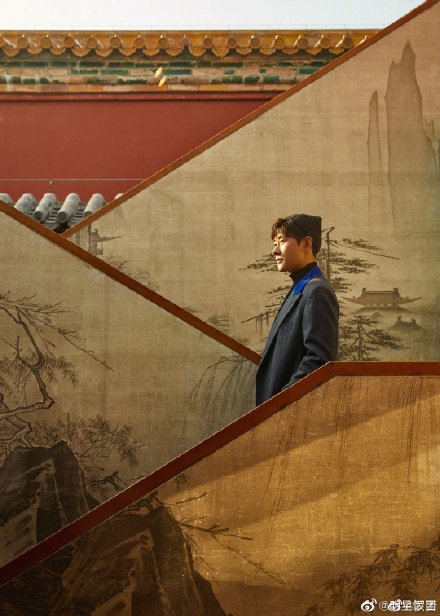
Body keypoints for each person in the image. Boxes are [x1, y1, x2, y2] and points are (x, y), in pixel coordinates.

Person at [256, 214, 339, 405]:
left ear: (306, 243)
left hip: (286, 411)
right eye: (275, 243)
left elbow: (318, 362)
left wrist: (278, 404)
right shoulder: (300, 289)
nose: (275, 250)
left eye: (283, 241)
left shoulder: (317, 291)